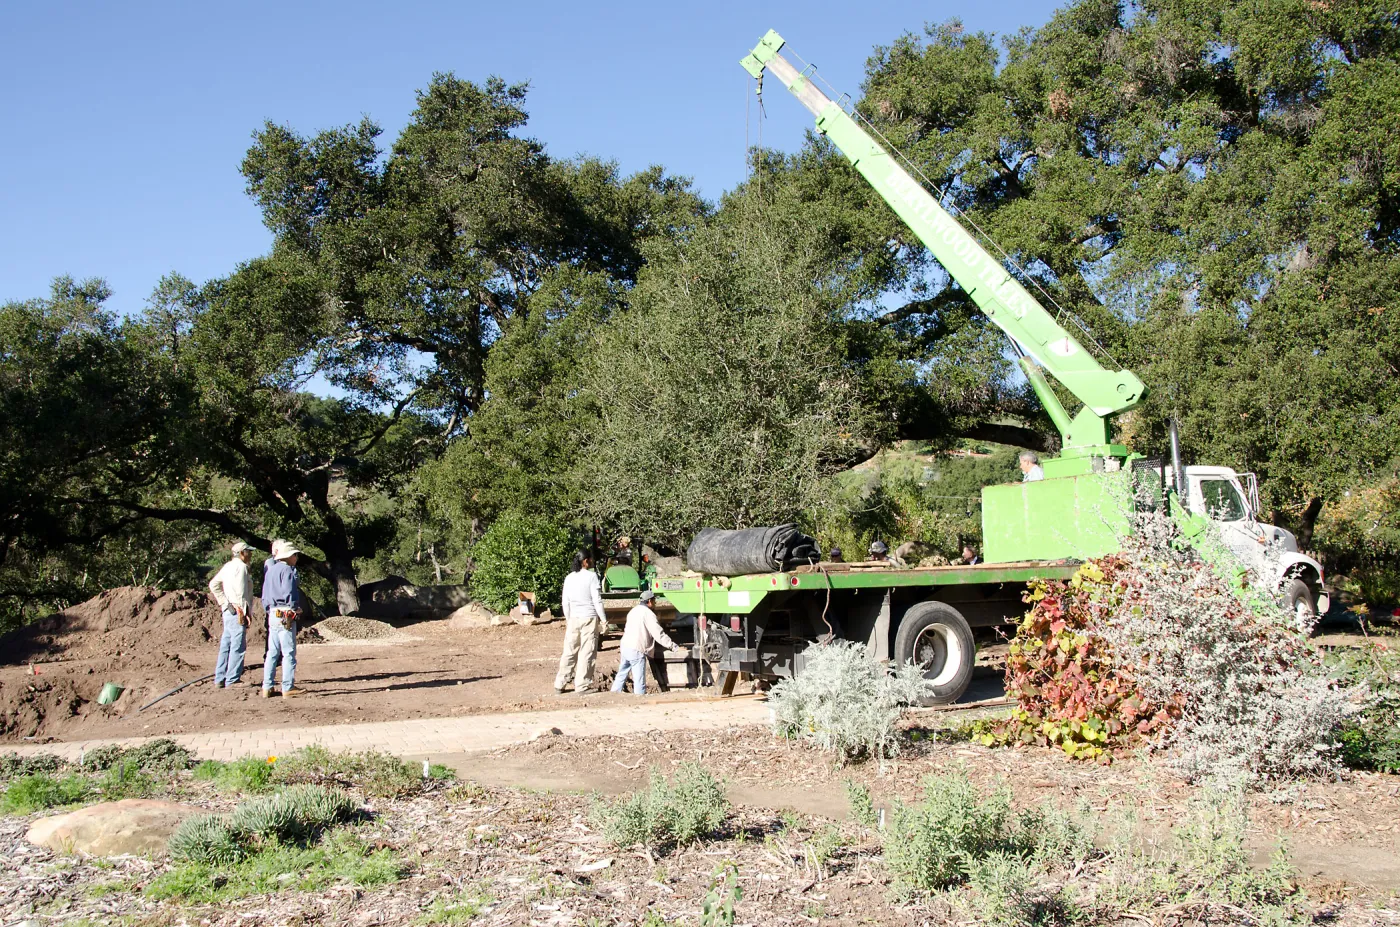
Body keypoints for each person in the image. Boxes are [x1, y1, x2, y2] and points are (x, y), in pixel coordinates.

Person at [612, 590, 680, 696]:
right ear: (649, 601)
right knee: (639, 679)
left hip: (626, 646)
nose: (655, 603)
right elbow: (658, 633)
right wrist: (673, 646)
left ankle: (614, 694)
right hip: (636, 648)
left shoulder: (633, 611)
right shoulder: (648, 614)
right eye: (654, 600)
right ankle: (640, 699)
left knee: (622, 673)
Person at [555, 551, 605, 695]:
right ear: (586, 561)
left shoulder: (569, 578)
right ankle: (582, 685)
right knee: (587, 652)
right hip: (589, 618)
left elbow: (565, 602)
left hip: (573, 619)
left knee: (569, 651)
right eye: (591, 559)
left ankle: (560, 683)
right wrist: (603, 618)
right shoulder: (591, 576)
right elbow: (597, 600)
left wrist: (569, 618)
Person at [261, 540, 304, 698]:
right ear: (289, 556)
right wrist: (295, 609)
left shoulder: (270, 570)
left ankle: (267, 686)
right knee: (288, 652)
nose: (296, 558)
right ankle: (287, 687)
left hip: (272, 612)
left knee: (272, 652)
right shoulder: (287, 570)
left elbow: (265, 595)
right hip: (285, 613)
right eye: (295, 555)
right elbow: (289, 592)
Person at [208, 541, 254, 688]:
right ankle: (233, 679)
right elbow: (241, 591)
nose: (251, 554)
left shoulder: (228, 566)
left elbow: (213, 584)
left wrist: (224, 602)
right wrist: (244, 611)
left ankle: (220, 678)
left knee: (226, 645)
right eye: (248, 552)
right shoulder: (241, 567)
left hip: (228, 610)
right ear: (242, 553)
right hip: (237, 611)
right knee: (238, 645)